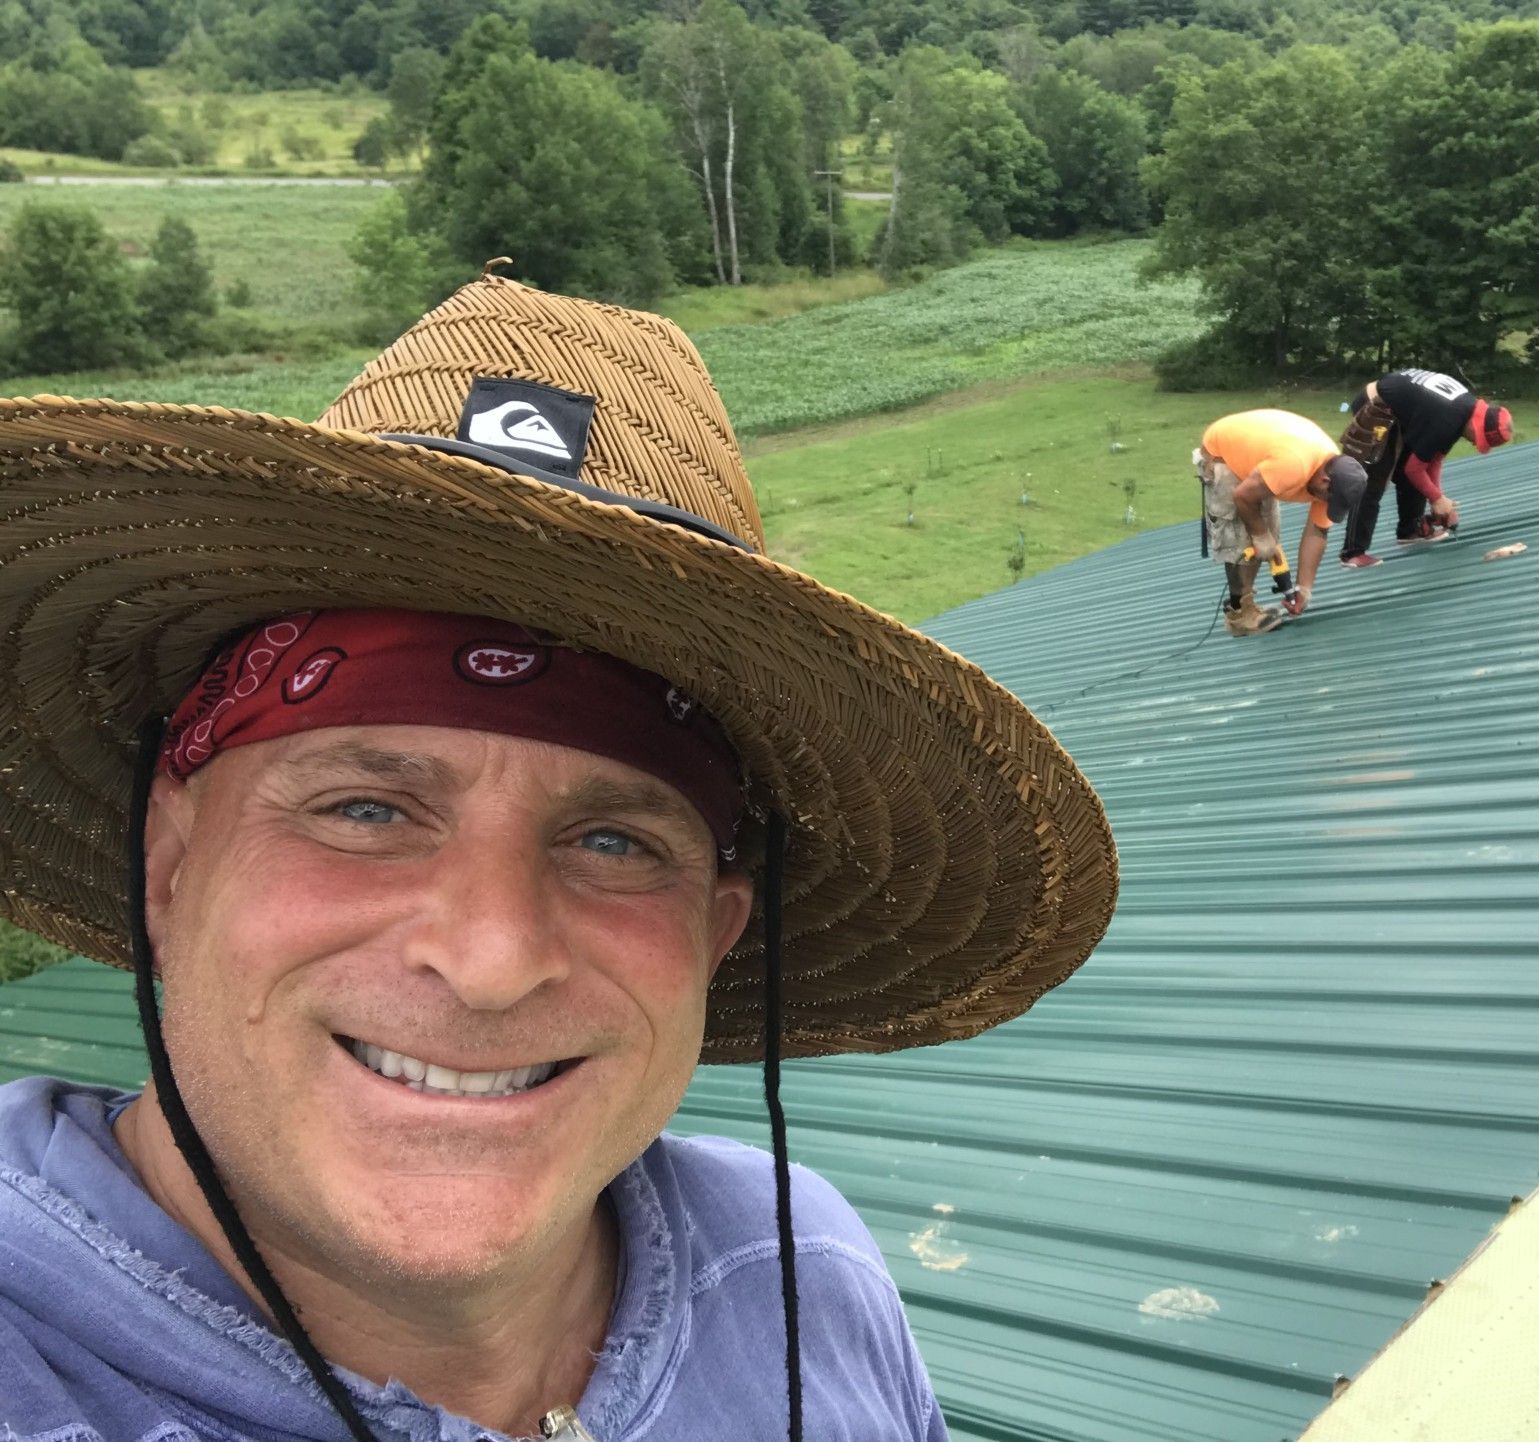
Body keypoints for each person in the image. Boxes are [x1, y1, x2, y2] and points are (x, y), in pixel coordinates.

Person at [0, 274, 1119, 1442]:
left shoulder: (802, 1275)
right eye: (367, 810)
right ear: (170, 867)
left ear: (713, 934)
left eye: (613, 840)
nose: (490, 958)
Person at [1197, 408, 1369, 634]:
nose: (1325, 503)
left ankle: (1246, 605)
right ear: (1325, 480)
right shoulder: (1293, 466)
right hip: (1222, 453)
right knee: (1243, 537)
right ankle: (1239, 615)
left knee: (1268, 534)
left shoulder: (1333, 477)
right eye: (1328, 498)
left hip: (1267, 455)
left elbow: (1317, 533)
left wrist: (1303, 588)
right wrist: (1259, 535)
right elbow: (1242, 496)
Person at [1337, 368, 1513, 567]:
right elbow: (1415, 469)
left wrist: (1439, 499)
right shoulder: (1448, 419)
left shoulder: (1464, 412)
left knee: (1411, 470)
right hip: (1377, 405)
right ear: (1476, 425)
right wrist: (1437, 499)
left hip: (1400, 409)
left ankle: (1410, 530)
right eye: (1478, 439)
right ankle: (1353, 553)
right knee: (1374, 480)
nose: (1474, 443)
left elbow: (1432, 460)